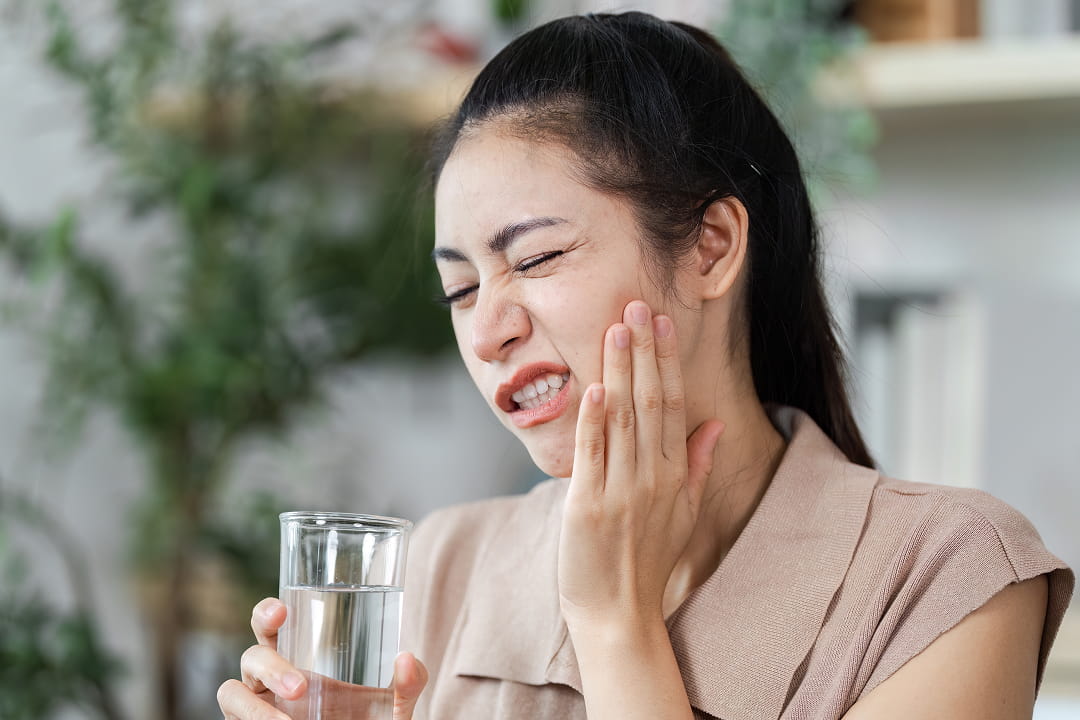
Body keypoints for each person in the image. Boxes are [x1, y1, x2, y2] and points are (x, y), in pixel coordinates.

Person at [217, 12, 1073, 720]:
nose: (488, 332)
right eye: (460, 289)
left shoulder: (948, 581)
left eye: (539, 257)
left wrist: (615, 622)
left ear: (711, 246)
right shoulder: (443, 567)